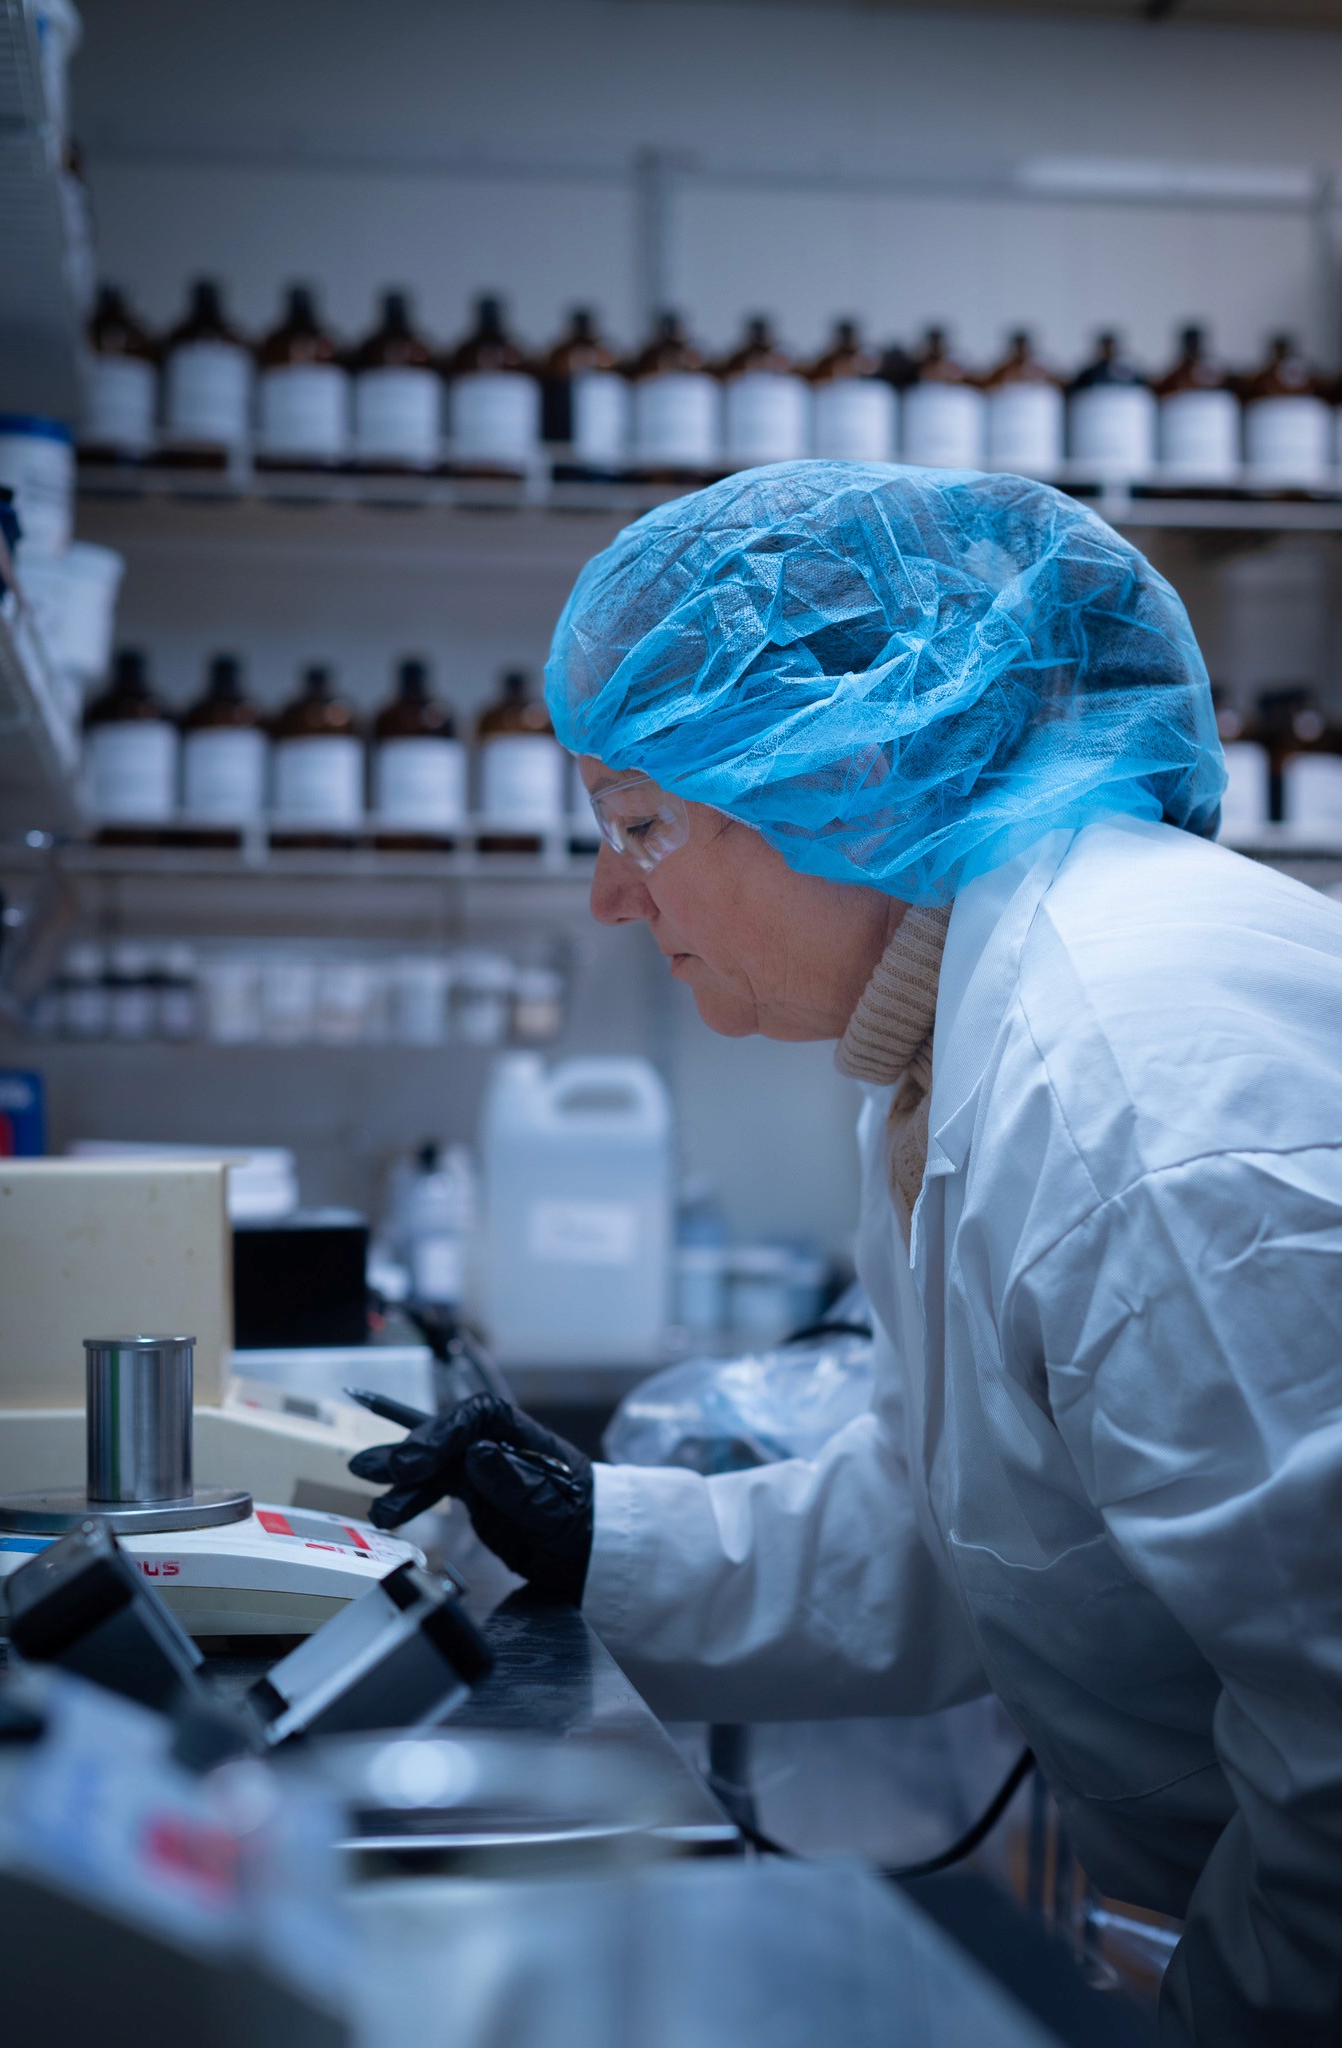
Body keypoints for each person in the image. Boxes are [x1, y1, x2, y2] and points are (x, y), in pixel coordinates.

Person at [351, 463, 1342, 2046]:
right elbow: (983, 1519)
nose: (612, 896)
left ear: (848, 766)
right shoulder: (946, 1034)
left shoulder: (1135, 1087)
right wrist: (605, 1536)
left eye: (639, 825)